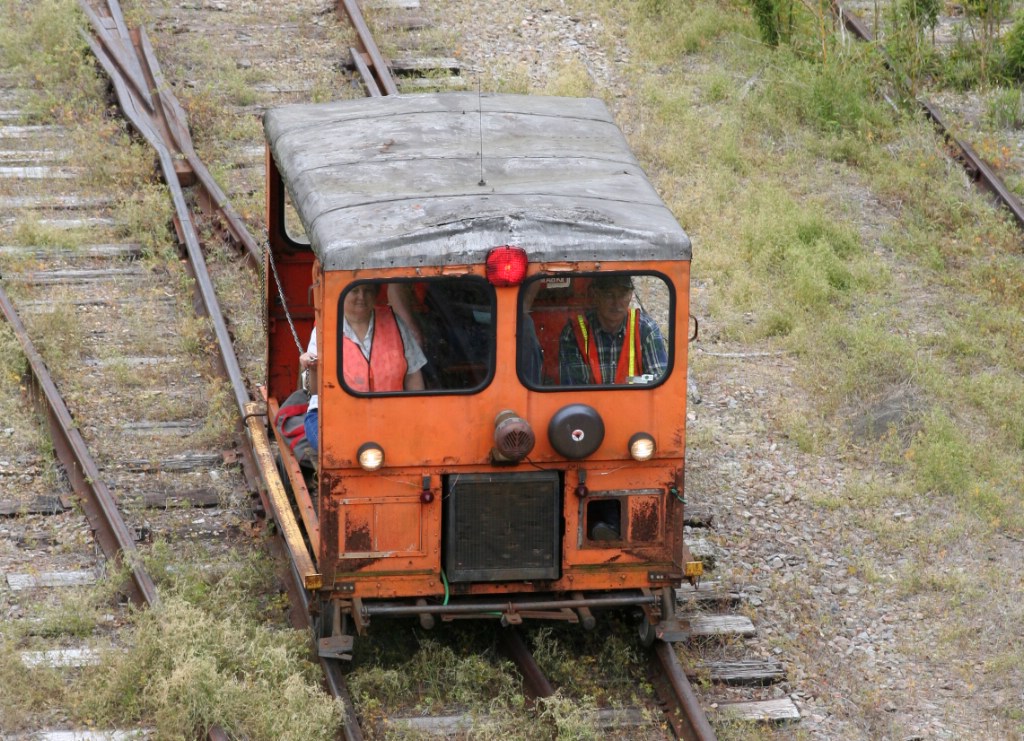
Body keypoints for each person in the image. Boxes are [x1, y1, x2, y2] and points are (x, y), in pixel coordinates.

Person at [300, 284, 428, 452]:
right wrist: (310, 367)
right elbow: (313, 389)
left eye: (368, 290)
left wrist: (418, 416)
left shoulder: (395, 322)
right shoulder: (325, 329)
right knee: (339, 452)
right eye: (354, 291)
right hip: (333, 416)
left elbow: (413, 375)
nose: (361, 296)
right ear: (342, 294)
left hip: (390, 415)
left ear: (375, 295)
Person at [558, 275, 668, 386]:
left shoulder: (646, 329)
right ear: (596, 295)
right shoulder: (574, 332)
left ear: (630, 296)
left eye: (622, 295)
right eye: (609, 295)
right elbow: (574, 391)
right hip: (590, 404)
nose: (616, 303)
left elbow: (659, 383)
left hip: (635, 403)